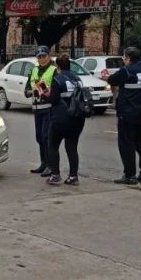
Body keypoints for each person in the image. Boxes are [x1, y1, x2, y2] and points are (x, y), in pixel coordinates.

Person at [106, 47, 141, 185]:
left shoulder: (127, 70)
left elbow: (112, 80)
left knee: (127, 144)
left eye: (124, 58)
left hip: (128, 113)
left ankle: (129, 175)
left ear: (128, 58)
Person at [43, 54, 86, 185]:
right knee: (72, 147)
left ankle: (55, 174)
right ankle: (73, 177)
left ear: (58, 67)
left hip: (60, 118)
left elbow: (54, 99)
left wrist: (44, 95)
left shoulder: (57, 80)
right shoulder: (78, 79)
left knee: (53, 145)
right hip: (78, 118)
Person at [25, 46, 57, 177]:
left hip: (48, 108)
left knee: (46, 138)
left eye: (44, 56)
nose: (42, 59)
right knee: (39, 138)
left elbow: (55, 89)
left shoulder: (53, 70)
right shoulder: (33, 70)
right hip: (37, 109)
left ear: (49, 56)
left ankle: (50, 165)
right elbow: (27, 90)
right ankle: (43, 163)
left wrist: (43, 90)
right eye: (39, 57)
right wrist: (31, 91)